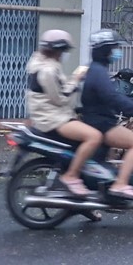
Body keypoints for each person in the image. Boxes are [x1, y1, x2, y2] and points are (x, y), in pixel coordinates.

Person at [80, 29, 133, 201]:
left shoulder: (97, 70)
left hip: (98, 121)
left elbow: (117, 96)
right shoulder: (98, 73)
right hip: (102, 125)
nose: (117, 51)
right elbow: (113, 99)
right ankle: (120, 184)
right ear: (105, 50)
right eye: (114, 48)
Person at [26, 29, 102, 197]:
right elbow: (59, 99)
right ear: (58, 50)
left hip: (53, 115)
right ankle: (71, 176)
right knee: (94, 136)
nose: (65, 54)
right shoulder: (47, 71)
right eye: (64, 50)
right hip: (54, 119)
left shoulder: (43, 63)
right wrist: (75, 80)